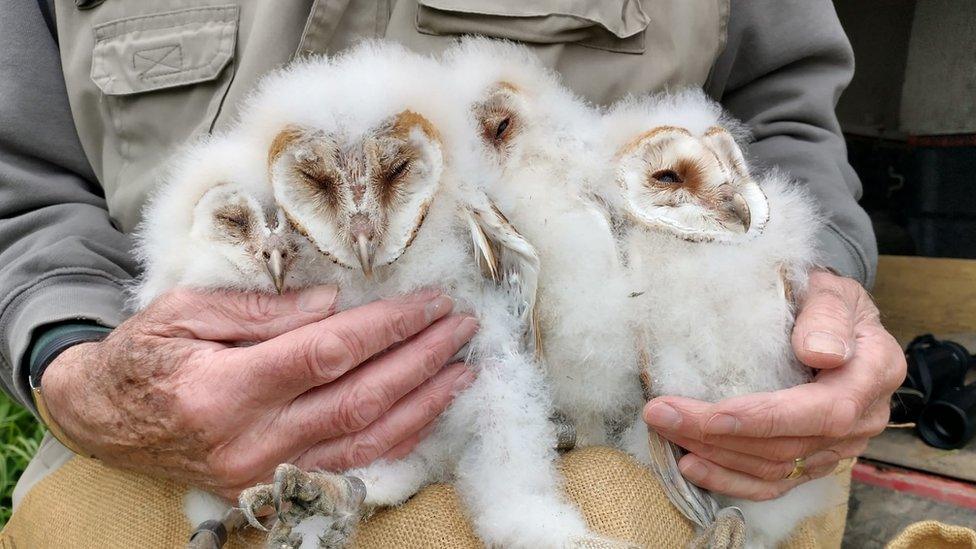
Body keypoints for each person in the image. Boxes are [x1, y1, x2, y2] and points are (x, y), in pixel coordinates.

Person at [1, 0, 905, 532]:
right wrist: (80, 363)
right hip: (157, 445)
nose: (359, 221)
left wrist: (796, 298)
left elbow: (782, 128)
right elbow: (24, 179)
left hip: (631, 439)